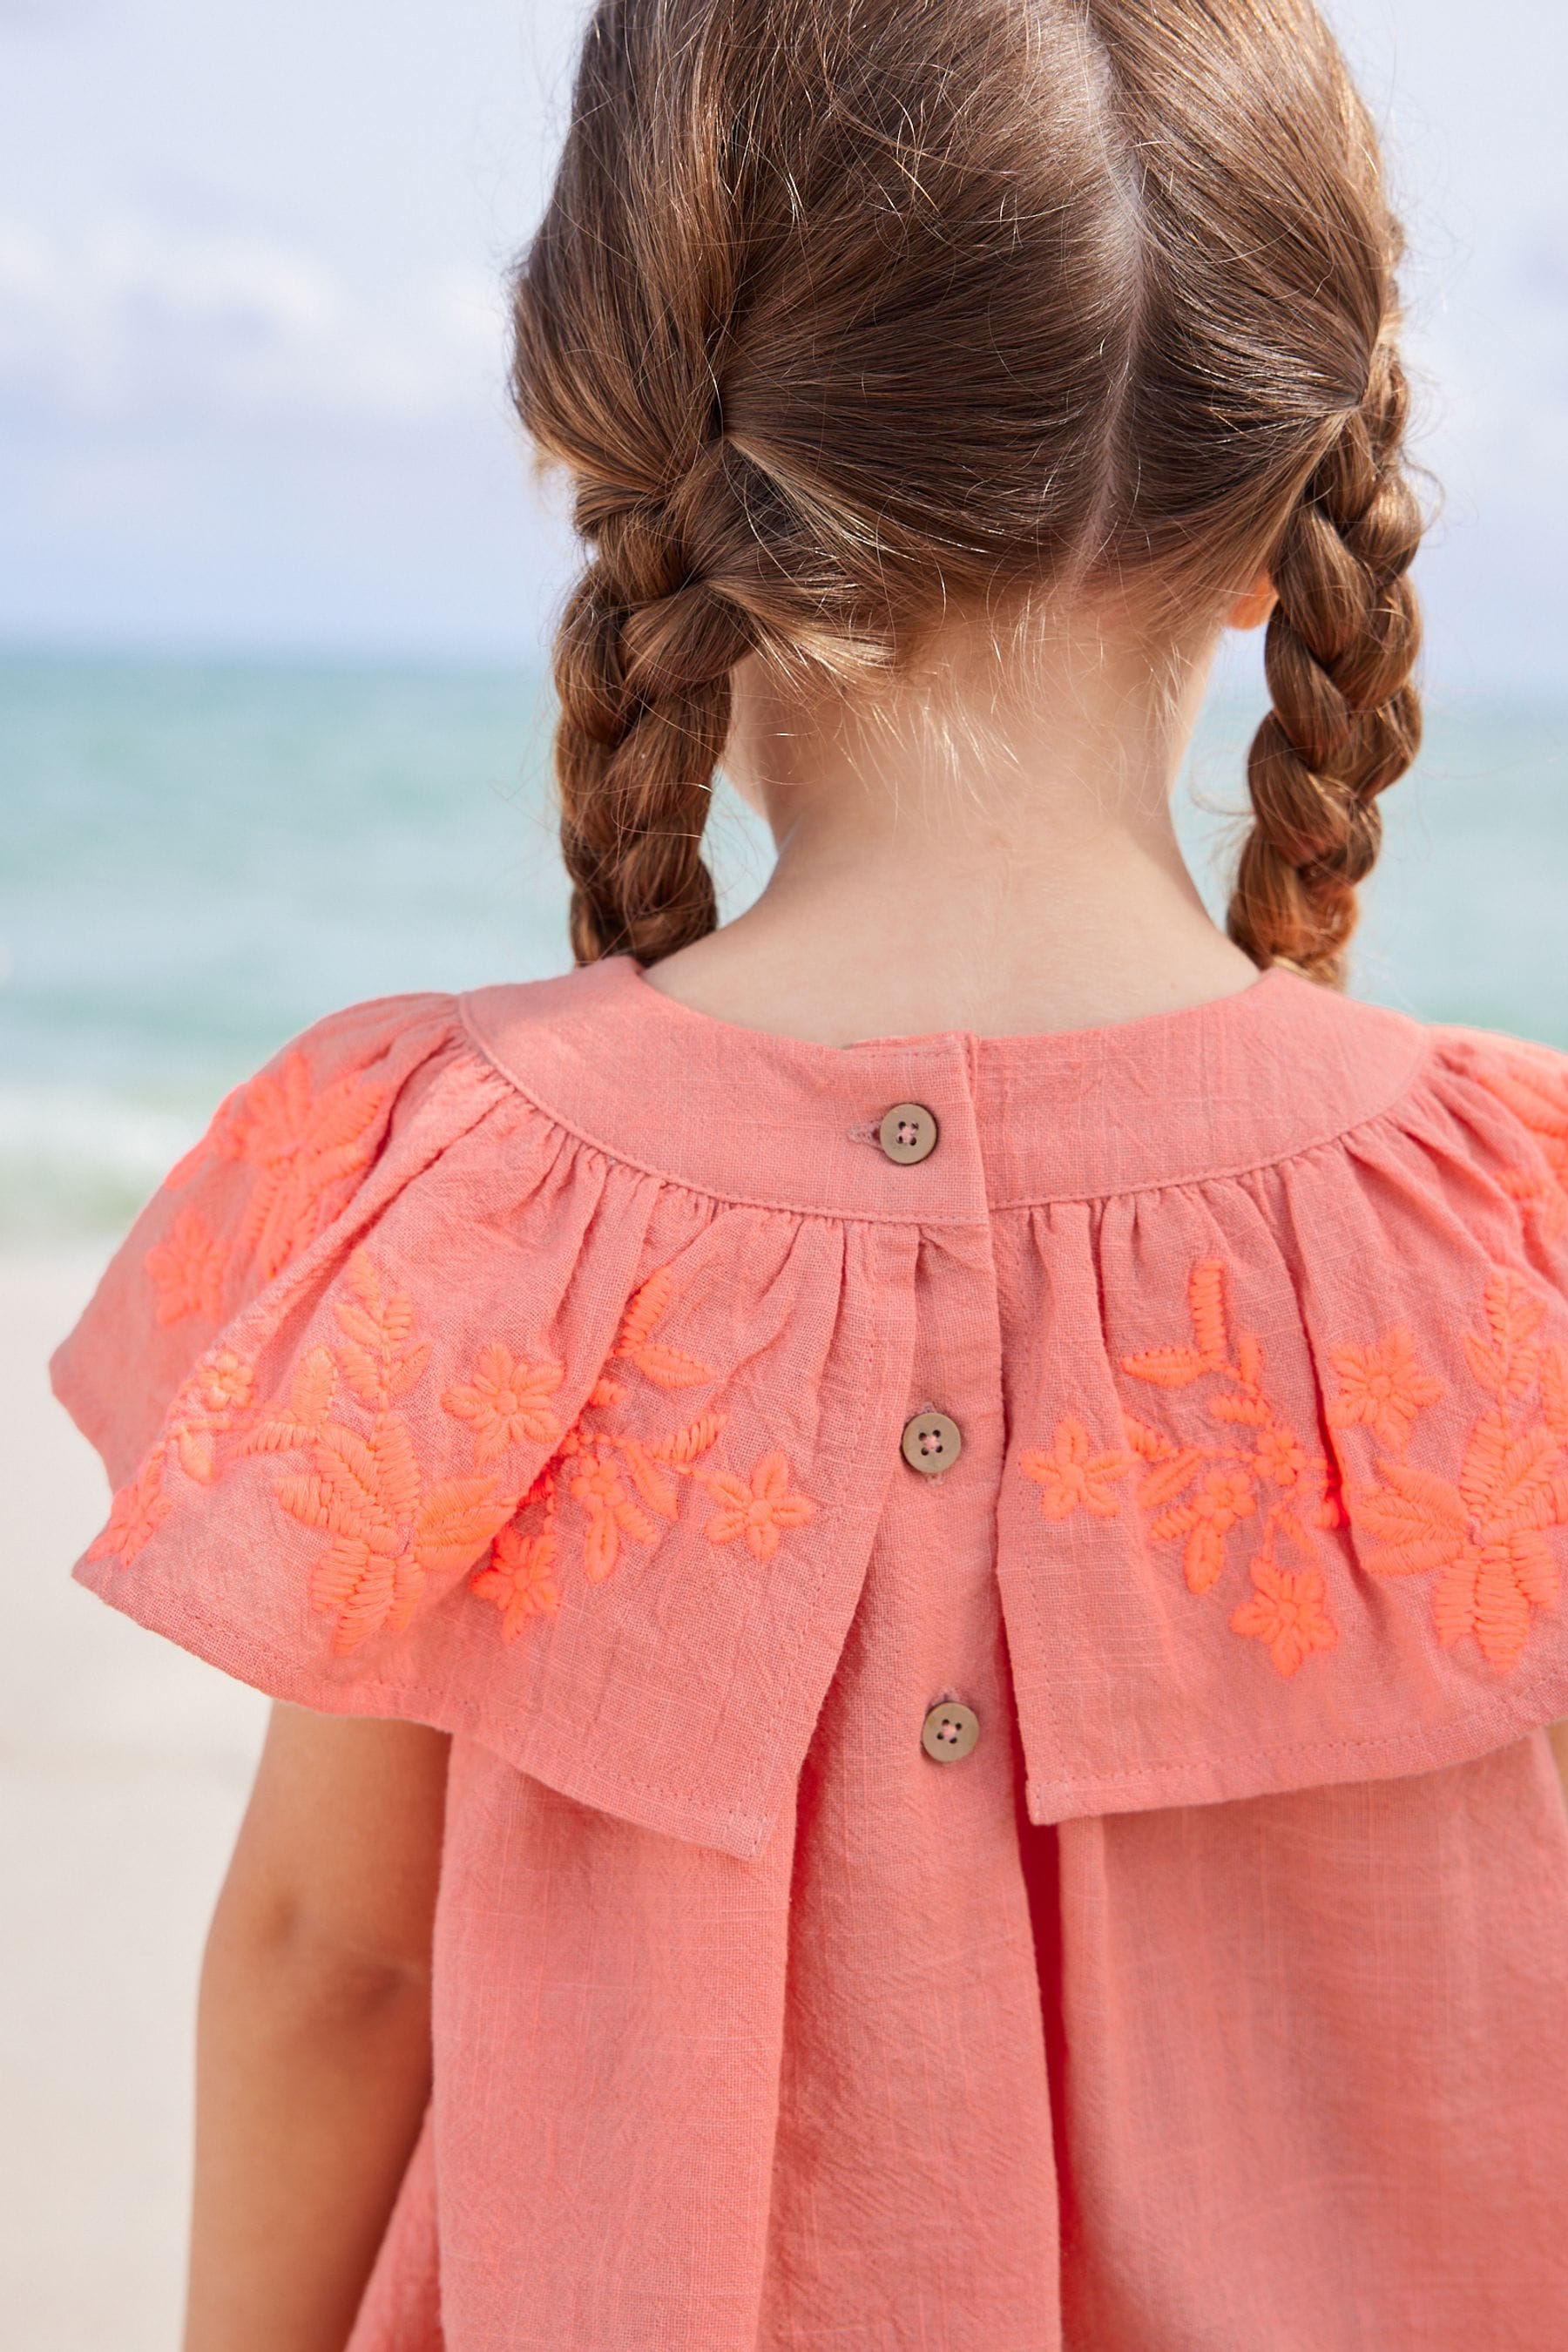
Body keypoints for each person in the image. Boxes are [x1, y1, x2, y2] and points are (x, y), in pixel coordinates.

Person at [50, 1, 1568, 2345]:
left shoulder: (457, 1189)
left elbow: (327, 1966)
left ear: (638, 458)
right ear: (1287, 512)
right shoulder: (1518, 1237)